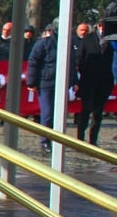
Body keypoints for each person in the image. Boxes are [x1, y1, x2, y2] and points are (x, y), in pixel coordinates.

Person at [26, 24, 75, 154]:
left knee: (59, 115)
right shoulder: (43, 43)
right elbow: (33, 62)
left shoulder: (68, 44)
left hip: (62, 83)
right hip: (46, 82)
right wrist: (31, 82)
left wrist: (74, 81)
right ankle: (45, 141)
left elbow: (72, 63)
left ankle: (57, 140)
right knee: (47, 114)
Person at [73, 20, 115, 145]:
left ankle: (93, 140)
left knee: (98, 113)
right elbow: (80, 58)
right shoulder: (88, 39)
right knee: (85, 111)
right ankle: (80, 138)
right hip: (89, 81)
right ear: (100, 26)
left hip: (104, 82)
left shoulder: (111, 40)